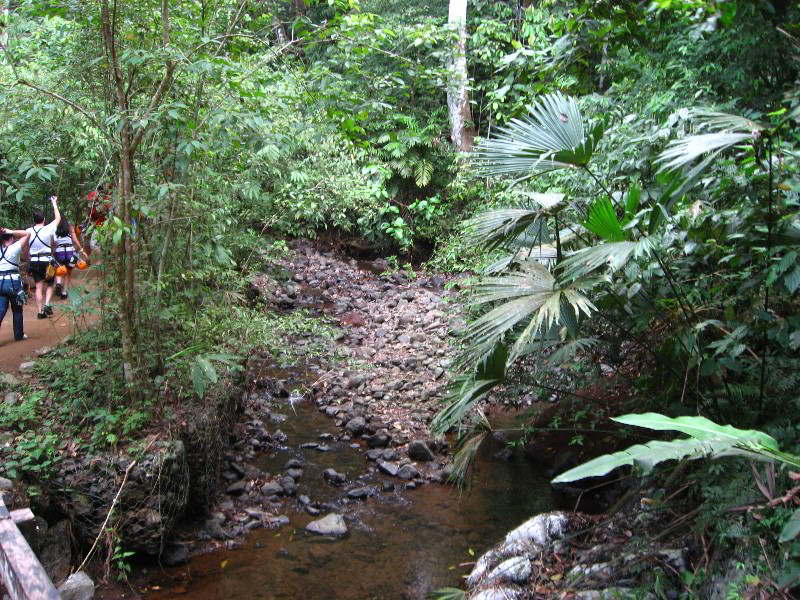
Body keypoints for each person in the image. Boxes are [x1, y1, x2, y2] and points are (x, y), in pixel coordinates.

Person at [26, 195, 61, 319]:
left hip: (34, 261)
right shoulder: (48, 228)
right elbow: (58, 218)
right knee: (50, 284)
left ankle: (40, 311)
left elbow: (26, 247)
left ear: (34, 220)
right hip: (46, 261)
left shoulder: (28, 230)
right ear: (44, 219)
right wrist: (54, 203)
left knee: (39, 287)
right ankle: (47, 304)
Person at [0, 227, 31, 341]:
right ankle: (18, 335)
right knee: (17, 309)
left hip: (0, 283)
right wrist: (11, 231)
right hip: (13, 284)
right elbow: (27, 234)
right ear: (11, 238)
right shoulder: (14, 248)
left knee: (1, 310)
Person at [53, 217, 87, 300]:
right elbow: (75, 240)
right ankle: (64, 292)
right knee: (68, 273)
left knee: (59, 269)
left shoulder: (54, 228)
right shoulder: (70, 228)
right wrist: (82, 250)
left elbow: (53, 242)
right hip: (69, 253)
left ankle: (58, 283)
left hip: (59, 252)